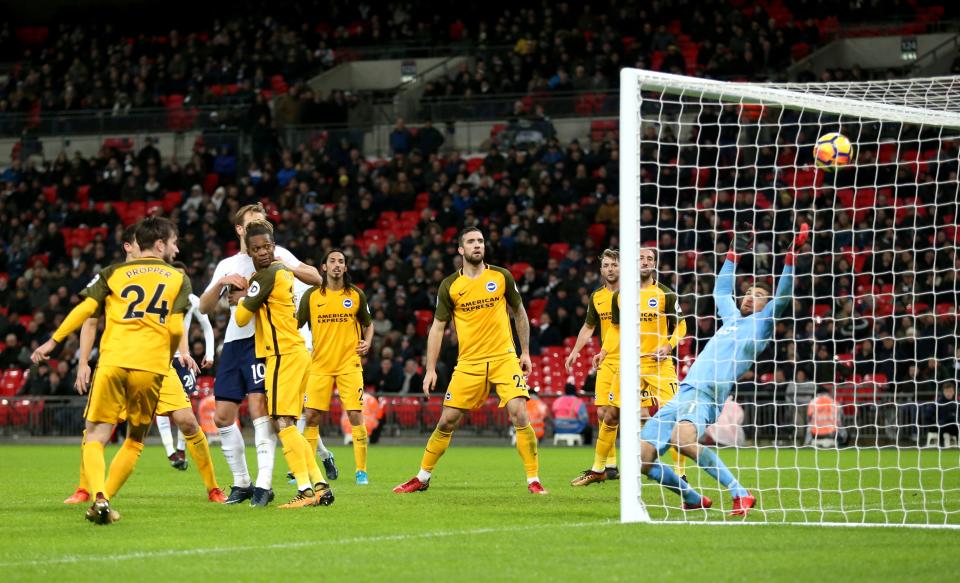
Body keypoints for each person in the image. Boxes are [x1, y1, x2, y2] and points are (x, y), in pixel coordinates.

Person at [637, 224, 807, 517]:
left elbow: (782, 295)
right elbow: (720, 290)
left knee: (682, 440)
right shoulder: (730, 319)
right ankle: (691, 497)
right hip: (684, 390)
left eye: (758, 295)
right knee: (644, 458)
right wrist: (733, 254)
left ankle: (740, 493)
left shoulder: (761, 325)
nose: (749, 297)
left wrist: (791, 258)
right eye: (748, 292)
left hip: (706, 394)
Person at [33, 217, 193, 524]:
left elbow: (85, 310)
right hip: (150, 366)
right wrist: (166, 357)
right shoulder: (178, 278)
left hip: (113, 361)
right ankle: (104, 497)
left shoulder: (113, 273)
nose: (176, 247)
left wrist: (52, 343)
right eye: (173, 241)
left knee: (96, 434)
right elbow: (174, 329)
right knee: (134, 439)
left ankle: (99, 498)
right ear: (159, 244)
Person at [63, 225, 225, 506]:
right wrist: (83, 363)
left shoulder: (167, 277)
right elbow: (90, 321)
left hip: (158, 362)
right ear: (129, 246)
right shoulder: (111, 276)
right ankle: (85, 489)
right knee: (98, 427)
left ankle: (213, 488)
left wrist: (182, 352)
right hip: (119, 359)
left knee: (186, 420)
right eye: (139, 243)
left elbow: (175, 324)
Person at [393, 227, 547, 495]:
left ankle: (533, 480)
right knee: (446, 421)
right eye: (471, 242)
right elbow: (437, 328)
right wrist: (430, 368)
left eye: (481, 241)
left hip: (503, 357)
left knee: (519, 412)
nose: (477, 245)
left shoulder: (501, 277)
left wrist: (524, 352)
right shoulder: (450, 285)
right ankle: (422, 477)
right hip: (469, 363)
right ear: (461, 250)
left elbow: (519, 313)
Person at [198, 203, 321, 507]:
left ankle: (264, 486)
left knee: (262, 411)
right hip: (234, 344)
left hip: (264, 343)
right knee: (223, 416)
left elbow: (316, 276)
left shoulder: (277, 256)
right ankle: (242, 482)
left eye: (264, 224)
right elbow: (203, 306)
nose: (260, 228)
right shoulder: (228, 264)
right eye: (254, 223)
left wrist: (283, 269)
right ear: (240, 229)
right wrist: (224, 285)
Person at [234, 219, 334, 509]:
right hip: (296, 352)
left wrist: (241, 298)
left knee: (283, 422)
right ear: (250, 252)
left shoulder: (264, 276)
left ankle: (305, 490)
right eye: (257, 248)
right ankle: (320, 486)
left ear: (274, 247)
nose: (263, 251)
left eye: (267, 246)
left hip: (282, 356)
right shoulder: (282, 273)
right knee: (288, 423)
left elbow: (241, 318)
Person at [296, 249, 375, 485]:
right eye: (332, 261)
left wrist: (367, 342)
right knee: (311, 417)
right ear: (324, 267)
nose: (337, 265)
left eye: (341, 261)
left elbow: (368, 325)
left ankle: (361, 471)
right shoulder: (311, 296)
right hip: (319, 364)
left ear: (346, 268)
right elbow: (293, 324)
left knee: (355, 415)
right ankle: (310, 470)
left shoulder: (356, 295)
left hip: (349, 364)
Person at [564, 248, 621, 483]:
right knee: (601, 412)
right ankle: (610, 465)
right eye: (606, 265)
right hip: (607, 359)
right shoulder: (597, 296)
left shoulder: (633, 294)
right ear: (601, 270)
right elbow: (589, 327)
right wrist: (575, 351)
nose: (610, 269)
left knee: (620, 413)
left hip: (632, 358)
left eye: (614, 264)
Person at [155, 261, 216, 472]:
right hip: (158, 357)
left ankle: (180, 449)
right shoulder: (158, 296)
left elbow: (207, 327)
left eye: (182, 274)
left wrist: (210, 354)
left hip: (182, 357)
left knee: (184, 404)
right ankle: (170, 450)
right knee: (161, 408)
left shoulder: (191, 300)